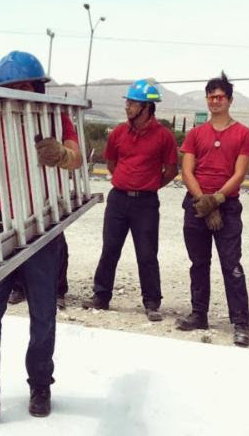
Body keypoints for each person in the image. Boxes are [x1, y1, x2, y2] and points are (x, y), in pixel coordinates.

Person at [0, 51, 81, 425]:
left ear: (39, 87)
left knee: (43, 315)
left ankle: (41, 386)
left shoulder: (53, 118)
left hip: (41, 228)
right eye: (12, 89)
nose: (20, 94)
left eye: (26, 87)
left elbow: (75, 156)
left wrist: (60, 155)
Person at [82, 79, 178, 321]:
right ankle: (101, 296)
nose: (127, 106)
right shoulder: (118, 133)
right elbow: (112, 163)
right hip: (118, 200)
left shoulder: (164, 136)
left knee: (147, 253)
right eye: (127, 101)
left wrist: (151, 185)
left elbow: (171, 169)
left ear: (147, 107)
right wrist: (126, 181)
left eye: (132, 103)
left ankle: (152, 302)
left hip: (146, 203)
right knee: (110, 248)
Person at [176, 72, 249, 347]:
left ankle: (241, 323)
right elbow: (187, 170)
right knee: (199, 264)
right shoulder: (196, 134)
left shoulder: (243, 134)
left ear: (230, 100)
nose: (215, 101)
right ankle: (199, 314)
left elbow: (240, 173)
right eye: (211, 96)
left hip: (228, 207)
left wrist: (218, 200)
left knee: (231, 265)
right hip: (197, 205)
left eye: (220, 96)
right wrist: (204, 203)